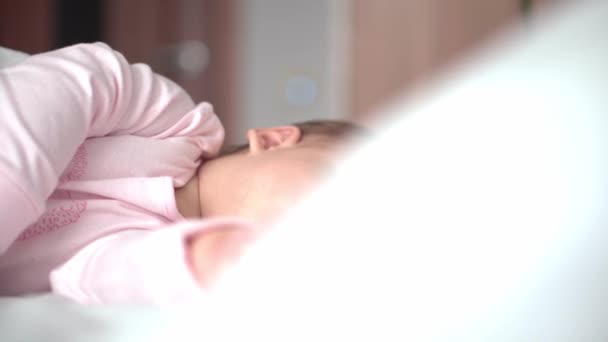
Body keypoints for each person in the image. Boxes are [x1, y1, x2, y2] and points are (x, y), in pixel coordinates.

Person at [0, 42, 362, 305]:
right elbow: (85, 79)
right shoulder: (177, 126)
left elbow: (87, 283)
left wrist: (201, 260)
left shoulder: (157, 254)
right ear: (273, 140)